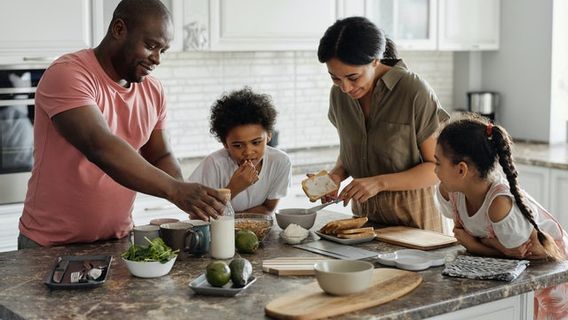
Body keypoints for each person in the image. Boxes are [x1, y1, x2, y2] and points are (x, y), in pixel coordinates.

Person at [18, 0, 225, 249]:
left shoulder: (153, 90)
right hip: (50, 245)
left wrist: (185, 194)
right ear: (118, 29)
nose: (157, 59)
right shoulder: (68, 74)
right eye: (151, 46)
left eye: (163, 50)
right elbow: (100, 146)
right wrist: (175, 190)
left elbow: (160, 154)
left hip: (118, 241)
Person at [316, 16, 449, 231]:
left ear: (376, 61)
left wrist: (379, 183)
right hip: (364, 225)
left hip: (416, 225)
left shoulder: (413, 91)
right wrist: (336, 176)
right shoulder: (339, 96)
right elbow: (353, 152)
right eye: (335, 78)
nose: (346, 88)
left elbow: (437, 168)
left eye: (353, 77)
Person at [435, 114, 568, 319]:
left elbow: (519, 256)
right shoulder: (450, 191)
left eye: (438, 163)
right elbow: (506, 252)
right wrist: (492, 244)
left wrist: (474, 245)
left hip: (550, 268)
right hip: (520, 269)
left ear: (461, 169)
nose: (434, 170)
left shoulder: (499, 205)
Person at [189, 87, 291, 214]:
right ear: (225, 143)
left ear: (269, 135)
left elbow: (268, 209)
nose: (248, 152)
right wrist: (234, 188)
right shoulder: (214, 164)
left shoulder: (280, 161)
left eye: (256, 142)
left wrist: (236, 220)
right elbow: (198, 216)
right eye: (238, 145)